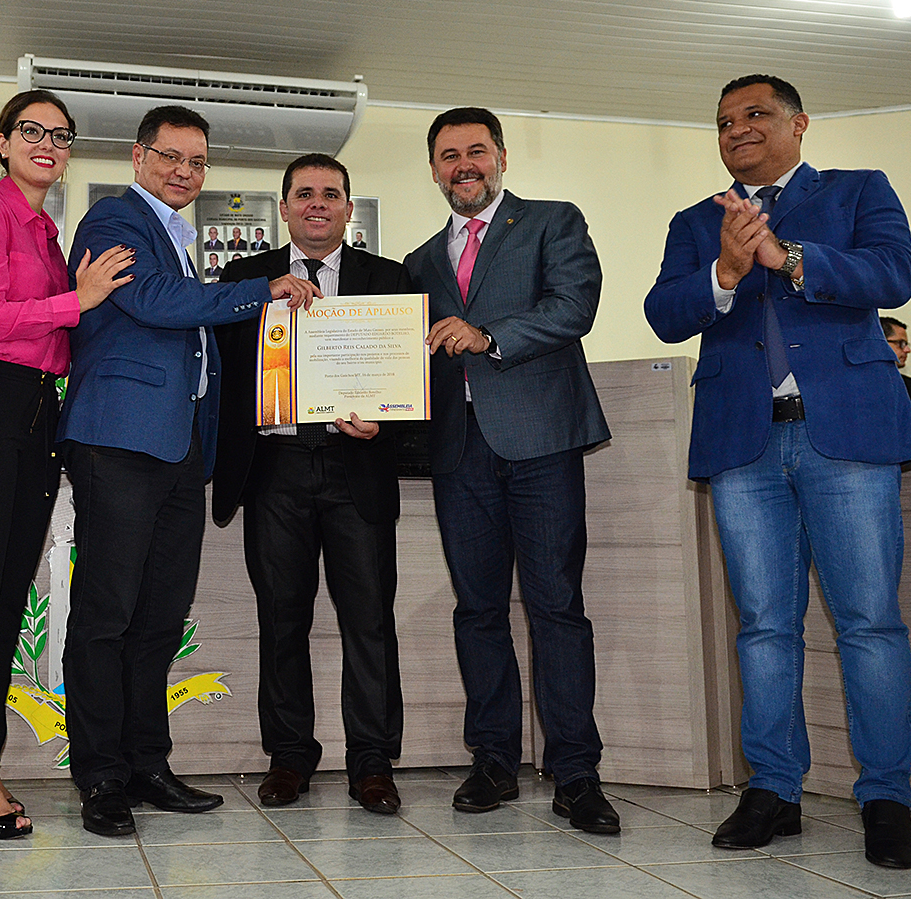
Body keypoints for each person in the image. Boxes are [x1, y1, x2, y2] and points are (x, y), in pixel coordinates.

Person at [644, 74, 911, 869]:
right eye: (723, 121)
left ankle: (885, 795)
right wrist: (724, 272)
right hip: (743, 442)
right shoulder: (695, 222)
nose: (736, 129)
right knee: (764, 625)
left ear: (798, 125)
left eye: (755, 114)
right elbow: (663, 313)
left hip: (847, 436)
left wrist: (787, 256)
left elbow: (893, 274)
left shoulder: (857, 190)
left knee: (868, 621)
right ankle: (772, 787)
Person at [57, 105, 319, 837]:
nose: (184, 171)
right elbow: (151, 301)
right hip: (119, 438)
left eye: (197, 161)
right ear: (138, 158)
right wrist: (260, 289)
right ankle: (100, 775)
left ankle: (147, 763)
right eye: (170, 156)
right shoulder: (113, 219)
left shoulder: (179, 234)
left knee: (159, 618)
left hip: (178, 450)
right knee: (107, 615)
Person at [0, 90, 132, 841]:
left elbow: (57, 333)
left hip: (36, 410)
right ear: (2, 142)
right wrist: (80, 300)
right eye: (31, 131)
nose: (48, 143)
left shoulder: (47, 232)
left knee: (6, 596)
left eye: (61, 135)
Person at [403, 107, 618, 835]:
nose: (463, 165)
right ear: (434, 169)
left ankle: (576, 771)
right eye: (448, 155)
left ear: (500, 156)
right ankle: (493, 760)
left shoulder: (553, 221)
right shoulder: (419, 262)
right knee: (477, 609)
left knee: (556, 605)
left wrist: (488, 335)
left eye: (475, 151)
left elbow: (573, 307)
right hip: (457, 450)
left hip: (542, 442)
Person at [213, 153, 412, 814]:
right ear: (284, 207)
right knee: (281, 619)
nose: (317, 204)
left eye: (331, 194)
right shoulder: (244, 278)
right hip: (274, 468)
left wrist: (383, 421)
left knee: (369, 620)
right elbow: (222, 371)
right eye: (304, 193)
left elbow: (408, 376)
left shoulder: (389, 279)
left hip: (357, 467)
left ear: (349, 208)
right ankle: (289, 756)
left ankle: (372, 761)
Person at [881, 316, 911, 401]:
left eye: (906, 344)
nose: (907, 350)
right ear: (881, 343)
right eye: (901, 343)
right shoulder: (860, 385)